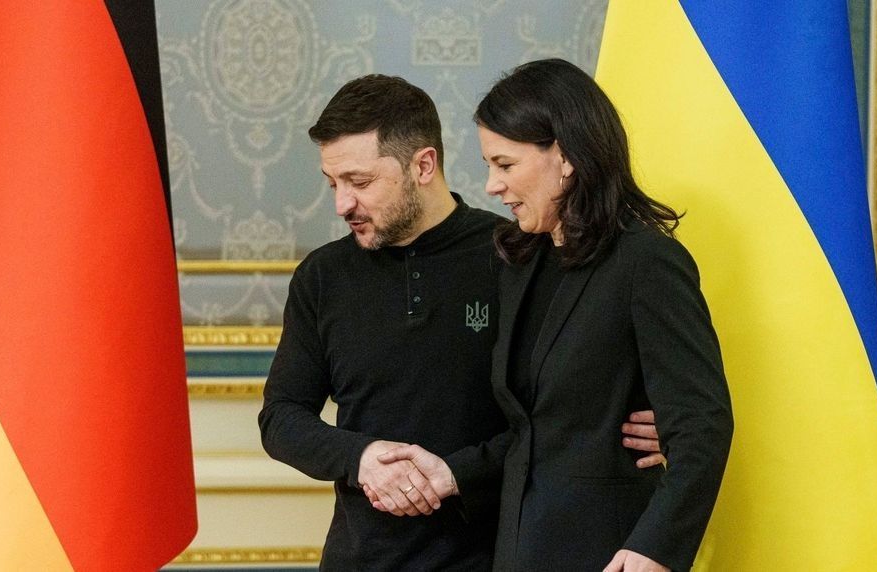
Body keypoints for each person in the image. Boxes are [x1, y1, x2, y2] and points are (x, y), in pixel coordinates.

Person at [258, 74, 663, 571]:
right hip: (359, 558)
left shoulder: (520, 256)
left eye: (359, 183)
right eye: (333, 183)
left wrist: (647, 425)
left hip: (496, 556)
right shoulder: (321, 276)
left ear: (423, 165)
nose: (343, 203)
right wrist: (361, 458)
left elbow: (559, 416)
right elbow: (280, 418)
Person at [474, 58, 733, 571]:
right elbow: (530, 428)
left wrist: (654, 548)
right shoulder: (519, 263)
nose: (491, 186)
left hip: (613, 554)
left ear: (566, 157)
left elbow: (701, 424)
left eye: (504, 165)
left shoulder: (646, 261)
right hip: (520, 551)